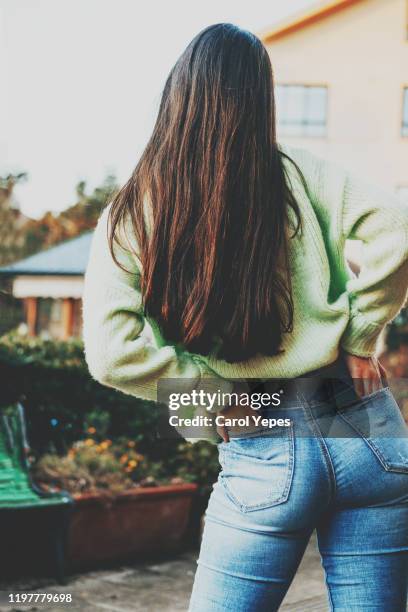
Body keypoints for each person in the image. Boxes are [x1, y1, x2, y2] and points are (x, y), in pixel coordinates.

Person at [82, 23, 408, 611]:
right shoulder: (302, 172)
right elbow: (396, 227)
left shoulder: (135, 210)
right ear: (262, 97)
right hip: (367, 427)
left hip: (262, 435)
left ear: (177, 97)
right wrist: (361, 341)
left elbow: (110, 353)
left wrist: (213, 399)